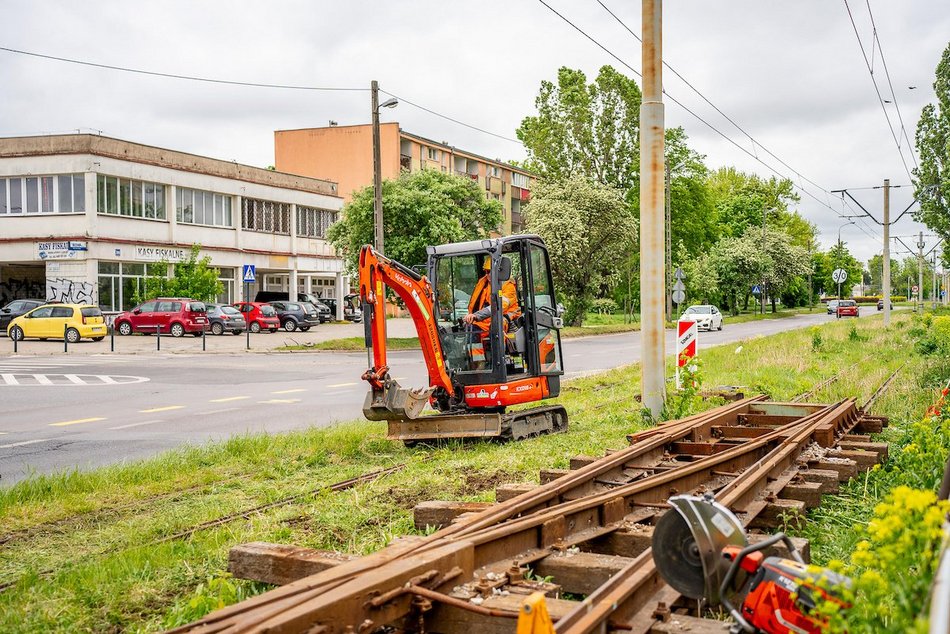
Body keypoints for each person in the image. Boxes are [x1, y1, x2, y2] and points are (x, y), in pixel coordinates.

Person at [462, 256, 521, 335]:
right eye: (486, 271)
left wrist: (476, 315)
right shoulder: (483, 282)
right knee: (467, 329)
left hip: (502, 320)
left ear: (499, 271)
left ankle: (494, 347)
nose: (488, 274)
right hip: (484, 320)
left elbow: (498, 305)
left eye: (490, 271)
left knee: (494, 328)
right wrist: (470, 317)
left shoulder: (508, 286)